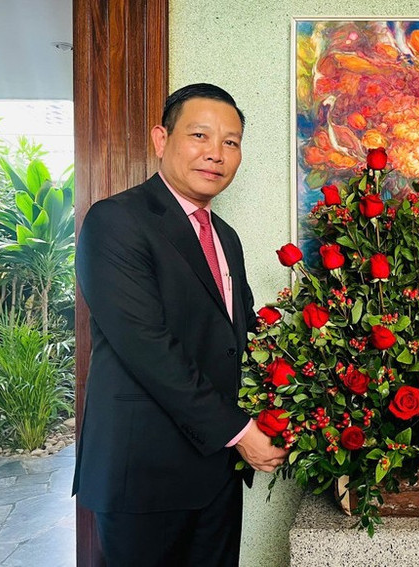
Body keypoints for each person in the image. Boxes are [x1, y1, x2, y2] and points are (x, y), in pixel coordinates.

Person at [73, 83, 287, 566]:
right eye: (199, 135)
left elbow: (239, 336)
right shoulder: (116, 221)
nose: (216, 153)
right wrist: (241, 433)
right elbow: (149, 348)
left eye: (230, 142)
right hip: (144, 473)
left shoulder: (224, 236)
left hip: (215, 471)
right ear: (160, 139)